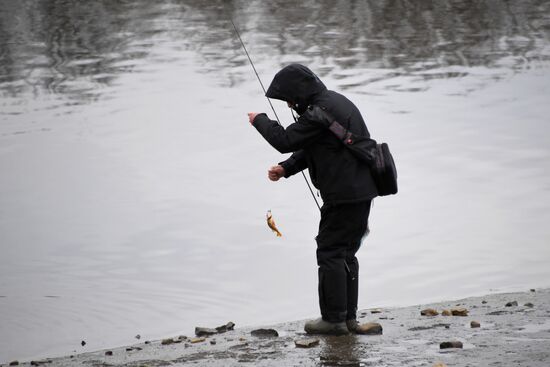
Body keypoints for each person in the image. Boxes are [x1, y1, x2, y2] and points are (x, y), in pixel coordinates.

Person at [247, 64, 378, 335]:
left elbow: (284, 139)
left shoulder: (319, 111)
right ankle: (348, 319)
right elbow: (315, 147)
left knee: (329, 250)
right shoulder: (335, 103)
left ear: (299, 93)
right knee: (345, 252)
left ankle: (333, 320)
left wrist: (259, 119)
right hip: (362, 191)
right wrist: (286, 169)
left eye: (288, 99)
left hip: (344, 195)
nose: (289, 105)